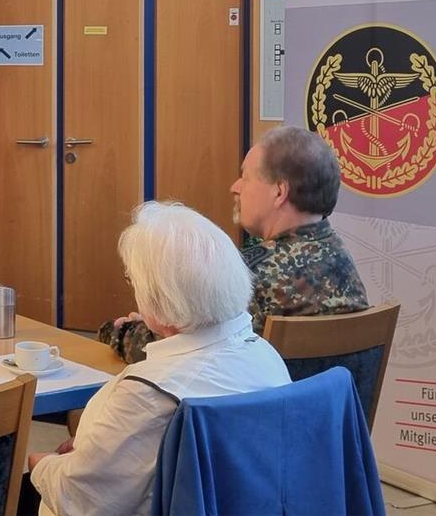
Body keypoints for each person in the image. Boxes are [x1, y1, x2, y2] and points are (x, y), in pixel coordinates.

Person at [27, 202, 291, 516]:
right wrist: (98, 450)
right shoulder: (265, 355)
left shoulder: (150, 393)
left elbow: (82, 499)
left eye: (133, 280)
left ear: (157, 296)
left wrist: (42, 463)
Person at [99, 125, 368, 363]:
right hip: (332, 406)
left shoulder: (249, 273)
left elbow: (182, 354)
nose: (235, 187)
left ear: (279, 192)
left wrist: (123, 331)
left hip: (254, 406)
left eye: (246, 177)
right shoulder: (340, 258)